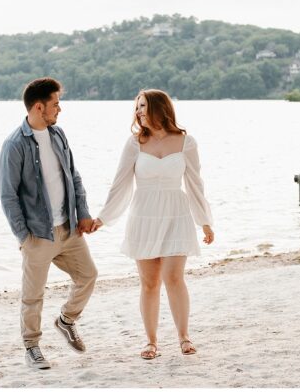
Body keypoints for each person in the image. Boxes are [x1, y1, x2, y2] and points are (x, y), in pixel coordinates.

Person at [90, 90, 213, 360]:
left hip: (175, 215)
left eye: (143, 106)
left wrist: (204, 221)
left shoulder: (185, 142)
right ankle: (151, 341)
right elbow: (120, 183)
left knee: (174, 277)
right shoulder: (134, 143)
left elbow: (195, 183)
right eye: (137, 107)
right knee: (149, 283)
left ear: (159, 108)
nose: (139, 112)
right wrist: (103, 217)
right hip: (143, 216)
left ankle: (184, 336)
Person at [0, 77, 97, 371]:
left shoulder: (58, 135)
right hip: (37, 234)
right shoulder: (14, 145)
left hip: (68, 228)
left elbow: (74, 176)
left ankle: (66, 320)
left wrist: (83, 213)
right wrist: (23, 235)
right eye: (56, 104)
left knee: (88, 276)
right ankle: (32, 347)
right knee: (33, 296)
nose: (60, 109)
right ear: (39, 107)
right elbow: (8, 195)